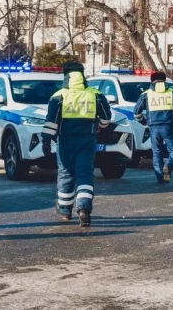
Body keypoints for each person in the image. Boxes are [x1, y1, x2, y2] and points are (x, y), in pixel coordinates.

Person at [42, 62, 112, 227]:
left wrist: (46, 140)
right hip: (88, 139)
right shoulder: (96, 95)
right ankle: (84, 209)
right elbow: (105, 120)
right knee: (85, 173)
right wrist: (100, 128)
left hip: (65, 141)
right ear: (83, 75)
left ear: (65, 76)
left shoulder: (58, 96)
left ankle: (65, 210)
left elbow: (51, 122)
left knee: (66, 173)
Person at [134, 71, 173, 184]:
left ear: (151, 81)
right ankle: (168, 166)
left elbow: (136, 112)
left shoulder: (146, 94)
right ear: (165, 80)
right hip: (168, 127)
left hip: (153, 128)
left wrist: (143, 121)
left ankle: (160, 178)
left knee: (157, 153)